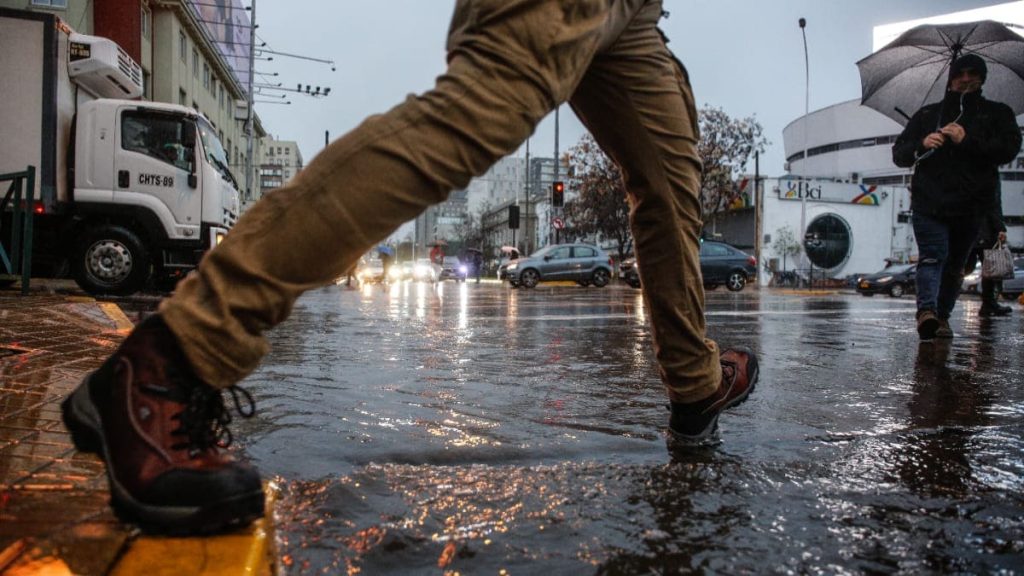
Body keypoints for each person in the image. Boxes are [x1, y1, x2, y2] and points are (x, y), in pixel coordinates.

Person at [60, 0, 758, 535]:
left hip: (636, 15)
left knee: (671, 182)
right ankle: (167, 361)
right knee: (475, 116)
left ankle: (695, 389)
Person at [892, 54, 1022, 340]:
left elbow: (1008, 149)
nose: (965, 79)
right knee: (932, 256)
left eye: (972, 74)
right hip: (930, 203)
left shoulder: (997, 114)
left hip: (971, 206)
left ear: (982, 77)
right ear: (950, 78)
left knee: (955, 266)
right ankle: (926, 312)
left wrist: (968, 140)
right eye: (959, 73)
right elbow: (899, 153)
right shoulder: (929, 115)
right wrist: (922, 144)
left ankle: (941, 316)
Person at [963, 184, 1012, 317]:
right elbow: (993, 204)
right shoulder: (988, 175)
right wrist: (1000, 227)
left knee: (970, 267)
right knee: (986, 269)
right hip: (982, 230)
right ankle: (988, 304)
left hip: (971, 229)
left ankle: (988, 304)